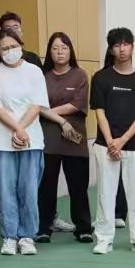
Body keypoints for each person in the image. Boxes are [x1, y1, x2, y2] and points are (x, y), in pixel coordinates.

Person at [0, 25, 49, 254]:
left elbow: (37, 104)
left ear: (21, 45)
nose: (9, 51)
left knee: (29, 190)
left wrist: (22, 129)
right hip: (3, 140)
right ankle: (9, 236)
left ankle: (27, 235)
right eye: (4, 48)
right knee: (6, 190)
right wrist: (16, 129)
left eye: (13, 46)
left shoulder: (34, 71)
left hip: (31, 138)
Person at [87, 28, 135, 256]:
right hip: (106, 145)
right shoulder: (101, 78)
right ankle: (104, 239)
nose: (122, 49)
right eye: (116, 45)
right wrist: (111, 142)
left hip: (134, 145)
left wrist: (122, 140)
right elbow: (99, 111)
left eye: (125, 44)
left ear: (132, 46)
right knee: (105, 193)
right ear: (111, 49)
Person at [38, 31, 91, 243]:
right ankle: (44, 227)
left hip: (74, 139)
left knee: (78, 186)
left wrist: (48, 111)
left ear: (71, 51)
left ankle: (83, 227)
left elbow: (77, 104)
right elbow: (36, 105)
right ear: (49, 52)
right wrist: (59, 119)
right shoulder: (42, 77)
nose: (60, 52)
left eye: (64, 47)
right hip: (48, 139)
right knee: (46, 186)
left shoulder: (80, 75)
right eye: (55, 48)